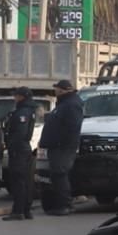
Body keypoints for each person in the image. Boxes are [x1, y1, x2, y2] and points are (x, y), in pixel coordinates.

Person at [38, 79, 83, 216]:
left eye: (57, 88)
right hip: (57, 146)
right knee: (57, 175)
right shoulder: (63, 104)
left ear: (63, 90)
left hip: (63, 147)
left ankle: (65, 205)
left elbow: (72, 127)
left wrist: (62, 143)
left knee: (60, 174)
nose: (55, 90)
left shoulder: (71, 104)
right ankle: (60, 204)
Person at [1, 87, 37, 221]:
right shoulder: (26, 110)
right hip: (23, 148)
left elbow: (20, 133)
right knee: (25, 180)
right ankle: (25, 210)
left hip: (19, 149)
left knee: (19, 181)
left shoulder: (23, 112)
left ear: (22, 97)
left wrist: (10, 144)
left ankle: (18, 211)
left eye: (16, 95)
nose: (14, 98)